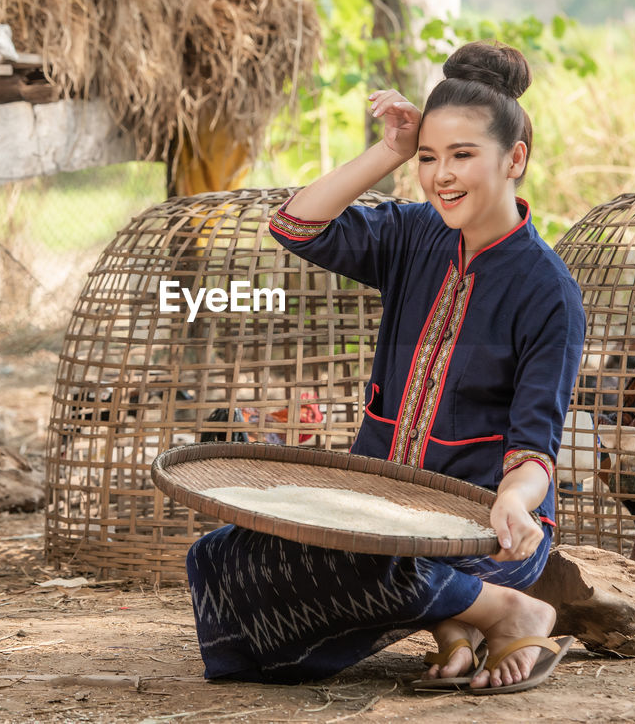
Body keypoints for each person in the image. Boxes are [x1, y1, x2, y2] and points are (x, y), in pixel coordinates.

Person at [185, 41, 586, 693]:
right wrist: (389, 150)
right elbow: (294, 226)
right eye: (430, 158)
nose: (442, 177)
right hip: (375, 511)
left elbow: (533, 445)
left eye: (462, 156)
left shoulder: (549, 292)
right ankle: (453, 618)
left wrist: (514, 500)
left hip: (481, 530)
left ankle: (508, 607)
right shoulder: (412, 234)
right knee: (219, 559)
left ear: (514, 159)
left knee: (384, 567)